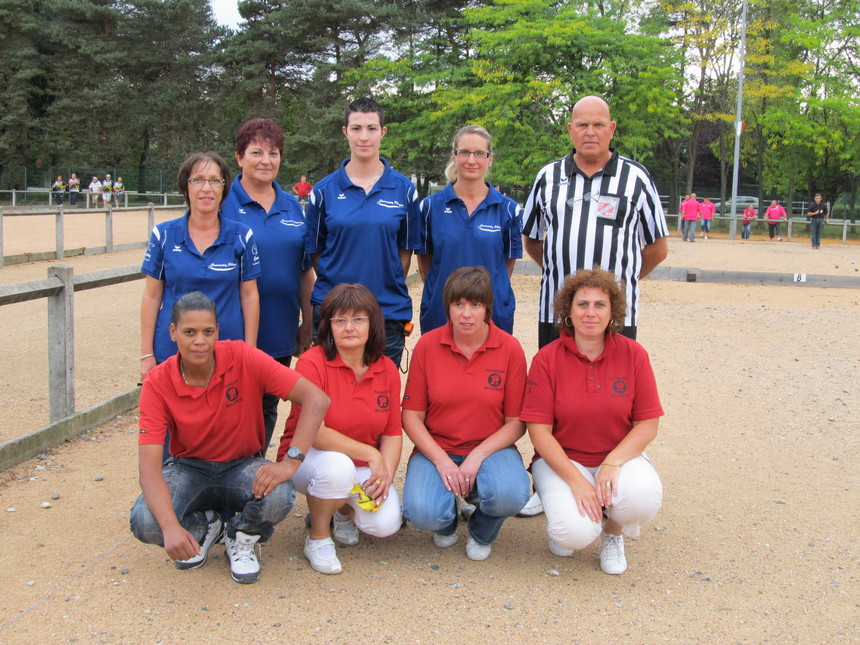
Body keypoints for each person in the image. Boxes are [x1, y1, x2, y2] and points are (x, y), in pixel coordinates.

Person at [521, 95, 668, 518]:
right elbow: (533, 239)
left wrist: (611, 296)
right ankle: (548, 480)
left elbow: (656, 248)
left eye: (598, 124)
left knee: (613, 399)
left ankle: (618, 470)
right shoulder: (549, 178)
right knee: (550, 402)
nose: (589, 132)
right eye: (581, 124)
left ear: (612, 128)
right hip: (557, 313)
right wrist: (569, 291)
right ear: (570, 129)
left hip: (616, 320)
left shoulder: (636, 179)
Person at [129, 291, 330, 584]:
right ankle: (206, 525)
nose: (200, 341)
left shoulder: (243, 356)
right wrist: (171, 527)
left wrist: (290, 462)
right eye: (189, 332)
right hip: (188, 467)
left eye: (208, 331)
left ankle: (241, 534)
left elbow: (316, 400)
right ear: (172, 333)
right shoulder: (158, 382)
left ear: (217, 332)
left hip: (242, 465)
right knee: (146, 522)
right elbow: (148, 470)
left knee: (279, 493)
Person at [520, 268, 664, 575]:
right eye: (582, 304)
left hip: (617, 458)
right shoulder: (547, 359)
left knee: (642, 498)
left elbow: (648, 424)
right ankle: (570, 515)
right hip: (564, 461)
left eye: (600, 305)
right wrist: (575, 480)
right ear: (568, 312)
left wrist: (613, 463)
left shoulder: (634, 354)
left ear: (613, 312)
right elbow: (539, 432)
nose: (591, 312)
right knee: (572, 534)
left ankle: (612, 532)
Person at [402, 267, 530, 561]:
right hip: (438, 446)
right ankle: (446, 520)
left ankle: (481, 528)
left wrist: (476, 457)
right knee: (422, 513)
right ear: (448, 306)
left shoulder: (509, 349)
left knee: (510, 494)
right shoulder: (427, 346)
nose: (467, 314)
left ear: (487, 308)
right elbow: (411, 415)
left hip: (490, 449)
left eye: (475, 304)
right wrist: (442, 462)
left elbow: (516, 423)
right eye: (458, 304)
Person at [277, 284, 402, 575]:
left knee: (385, 524)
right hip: (307, 458)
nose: (350, 327)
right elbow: (316, 433)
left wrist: (385, 473)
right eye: (340, 320)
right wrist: (371, 454)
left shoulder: (386, 369)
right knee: (337, 468)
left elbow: (393, 432)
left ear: (373, 324)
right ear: (328, 325)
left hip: (358, 463)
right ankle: (318, 537)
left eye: (358, 319)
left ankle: (343, 511)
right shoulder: (311, 363)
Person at [306, 96, 420, 368]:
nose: (364, 137)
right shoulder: (322, 191)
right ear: (345, 132)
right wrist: (341, 294)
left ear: (383, 132)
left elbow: (405, 252)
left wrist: (383, 283)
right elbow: (316, 252)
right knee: (330, 399)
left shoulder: (405, 191)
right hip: (333, 312)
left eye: (371, 128)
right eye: (356, 128)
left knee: (380, 398)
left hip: (387, 311)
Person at [221, 118, 313, 455]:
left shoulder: (292, 206)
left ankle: (251, 473)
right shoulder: (222, 202)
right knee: (227, 405)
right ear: (239, 156)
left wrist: (308, 321)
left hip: (278, 327)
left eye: (273, 153)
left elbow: (305, 271)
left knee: (266, 406)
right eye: (256, 152)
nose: (265, 160)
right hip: (230, 327)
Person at [139, 151, 260, 390]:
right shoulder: (163, 235)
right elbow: (152, 295)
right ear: (186, 187)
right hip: (172, 351)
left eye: (215, 180)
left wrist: (250, 351)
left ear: (224, 188)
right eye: (198, 180)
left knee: (225, 423)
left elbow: (249, 295)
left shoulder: (242, 236)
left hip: (227, 350)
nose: (207, 188)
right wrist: (146, 354)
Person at [416, 125, 522, 334]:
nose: (471, 160)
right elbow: (425, 263)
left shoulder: (508, 209)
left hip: (493, 314)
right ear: (454, 156)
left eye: (479, 153)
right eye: (464, 152)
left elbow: (505, 266)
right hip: (441, 314)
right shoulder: (429, 207)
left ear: (490, 158)